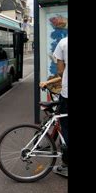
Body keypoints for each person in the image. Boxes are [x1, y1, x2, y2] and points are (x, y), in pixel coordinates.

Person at [40, 36, 68, 177]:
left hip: (67, 94)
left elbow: (62, 72)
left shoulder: (63, 43)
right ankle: (66, 164)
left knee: (66, 126)